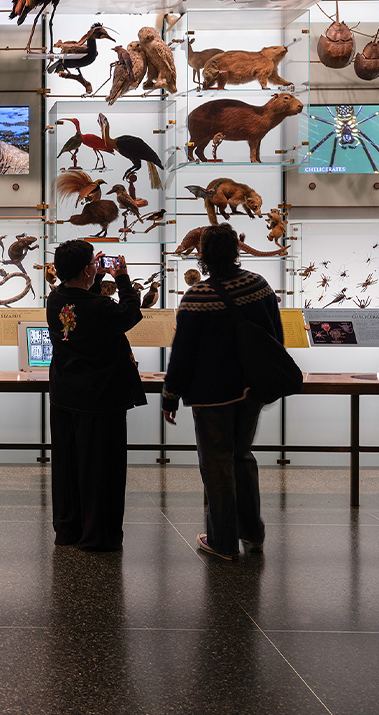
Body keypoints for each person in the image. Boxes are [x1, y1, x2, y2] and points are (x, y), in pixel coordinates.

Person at [161, 225, 281, 562]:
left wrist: (170, 396)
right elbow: (275, 337)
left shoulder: (197, 296)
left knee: (216, 466)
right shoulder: (258, 285)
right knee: (242, 457)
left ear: (203, 255)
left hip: (212, 396)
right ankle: (253, 536)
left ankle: (223, 541)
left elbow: (182, 353)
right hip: (252, 391)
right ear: (235, 250)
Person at [45, 239, 146, 552]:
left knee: (68, 467)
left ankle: (68, 529)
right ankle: (97, 535)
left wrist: (96, 277)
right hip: (100, 399)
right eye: (93, 263)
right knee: (101, 470)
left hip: (64, 394)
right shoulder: (99, 306)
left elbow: (82, 305)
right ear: (86, 268)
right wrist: (123, 278)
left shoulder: (55, 298)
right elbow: (129, 313)